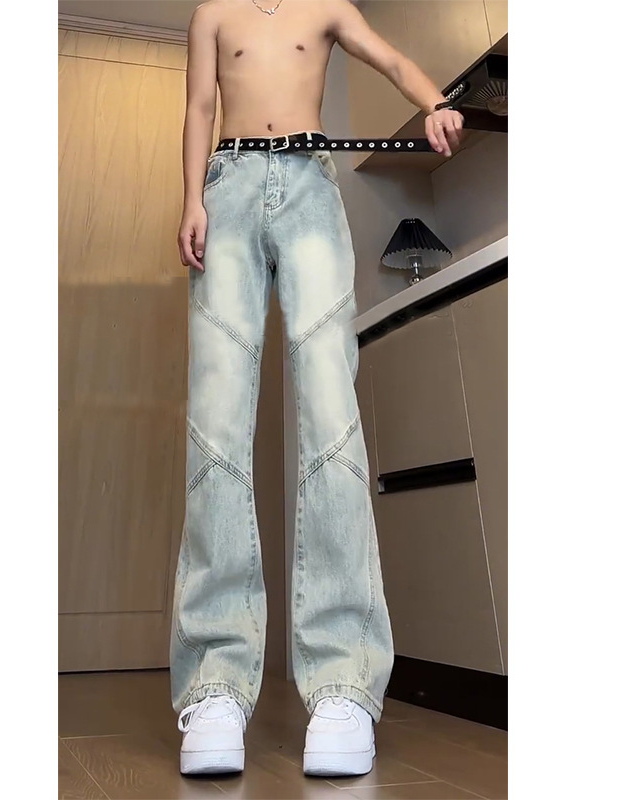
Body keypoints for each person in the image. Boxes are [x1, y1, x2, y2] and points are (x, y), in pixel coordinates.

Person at [172, 0, 464, 778]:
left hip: (310, 185)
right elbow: (199, 105)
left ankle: (343, 683)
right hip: (228, 184)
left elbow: (392, 59)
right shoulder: (213, 12)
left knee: (331, 416)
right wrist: (192, 197)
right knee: (215, 421)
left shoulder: (328, 4)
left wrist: (434, 102)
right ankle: (214, 683)